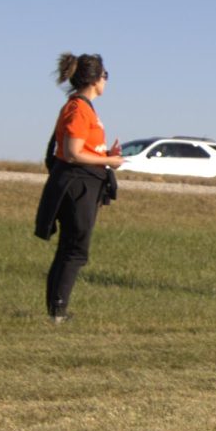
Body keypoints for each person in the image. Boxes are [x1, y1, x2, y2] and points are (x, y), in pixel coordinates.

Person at [34, 53, 123, 323]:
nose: (107, 81)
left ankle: (57, 310)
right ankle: (58, 312)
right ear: (96, 79)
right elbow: (72, 153)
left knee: (72, 248)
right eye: (105, 76)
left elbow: (81, 148)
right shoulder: (78, 109)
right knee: (74, 250)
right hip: (77, 184)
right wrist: (109, 160)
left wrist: (105, 153)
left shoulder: (85, 108)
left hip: (84, 182)